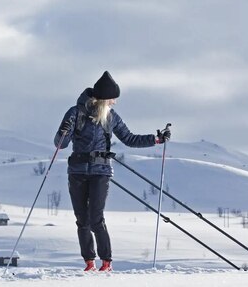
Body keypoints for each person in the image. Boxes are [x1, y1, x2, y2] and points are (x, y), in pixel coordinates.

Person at [54, 71, 171, 272]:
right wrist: (63, 131)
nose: (114, 102)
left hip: (101, 171)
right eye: (112, 99)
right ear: (102, 99)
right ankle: (89, 262)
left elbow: (130, 139)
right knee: (82, 218)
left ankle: (106, 261)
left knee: (95, 217)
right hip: (77, 171)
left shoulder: (111, 117)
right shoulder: (74, 113)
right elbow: (60, 144)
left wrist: (156, 139)